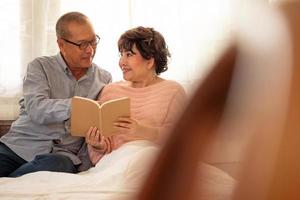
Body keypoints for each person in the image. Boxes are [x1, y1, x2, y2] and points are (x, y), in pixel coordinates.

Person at [0, 12, 112, 177]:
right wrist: (76, 105)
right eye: (82, 44)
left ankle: (8, 185)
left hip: (60, 157)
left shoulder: (104, 78)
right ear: (61, 45)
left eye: (93, 42)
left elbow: (101, 123)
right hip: (18, 147)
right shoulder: (39, 67)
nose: (90, 50)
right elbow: (37, 109)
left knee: (60, 164)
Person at [85, 26, 187, 165]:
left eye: (129, 54)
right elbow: (106, 147)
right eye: (121, 54)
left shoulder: (173, 91)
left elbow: (182, 140)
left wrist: (142, 131)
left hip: (154, 164)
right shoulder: (110, 90)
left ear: (150, 61)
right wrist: (98, 145)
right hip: (116, 166)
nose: (122, 62)